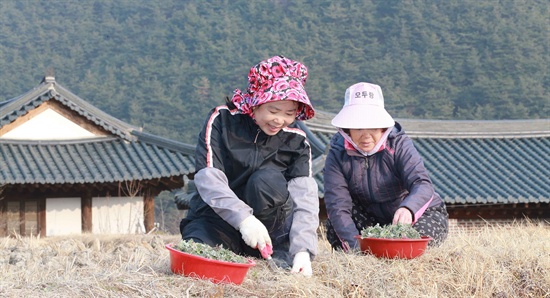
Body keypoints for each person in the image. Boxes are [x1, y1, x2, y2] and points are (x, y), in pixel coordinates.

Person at [179, 55, 319, 276]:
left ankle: (277, 253)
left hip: (271, 230)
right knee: (195, 255)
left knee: (266, 180)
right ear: (256, 101)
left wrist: (303, 249)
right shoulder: (222, 120)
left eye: (289, 113)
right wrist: (243, 219)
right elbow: (208, 179)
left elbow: (305, 200)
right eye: (273, 111)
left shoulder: (297, 140)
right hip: (218, 220)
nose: (280, 120)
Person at [323, 82, 449, 251]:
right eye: (358, 128)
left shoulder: (399, 144)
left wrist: (408, 208)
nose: (366, 136)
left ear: (382, 127)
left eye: (373, 128)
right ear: (347, 129)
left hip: (413, 213)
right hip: (371, 218)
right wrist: (356, 251)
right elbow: (338, 205)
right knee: (334, 225)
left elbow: (422, 184)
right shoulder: (338, 152)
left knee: (412, 245)